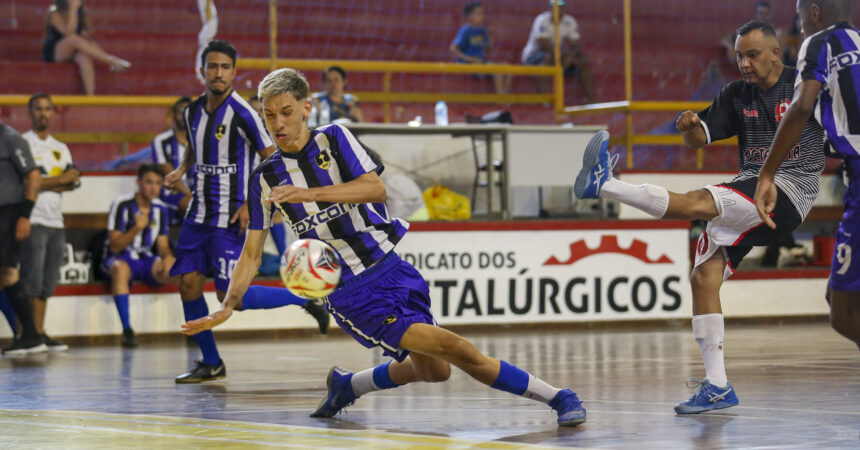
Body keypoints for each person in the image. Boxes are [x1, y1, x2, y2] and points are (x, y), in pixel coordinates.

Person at [181, 68, 587, 427]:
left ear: (307, 108)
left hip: (391, 266)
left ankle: (348, 385)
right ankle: (558, 397)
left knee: (436, 371)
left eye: (286, 112)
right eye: (269, 115)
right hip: (349, 290)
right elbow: (251, 253)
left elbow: (374, 188)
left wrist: (309, 192)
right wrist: (228, 307)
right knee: (455, 346)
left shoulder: (335, 138)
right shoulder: (265, 178)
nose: (277, 124)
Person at [574, 21, 826, 414]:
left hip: (788, 192)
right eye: (740, 55)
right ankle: (718, 386)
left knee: (694, 202)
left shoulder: (804, 86)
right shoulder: (735, 94)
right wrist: (689, 126)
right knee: (703, 276)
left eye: (753, 55)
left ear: (776, 53)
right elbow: (699, 138)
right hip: (750, 188)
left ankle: (605, 185)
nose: (744, 63)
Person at [164, 40, 327, 383]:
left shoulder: (243, 113)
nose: (218, 73)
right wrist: (181, 170)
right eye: (212, 66)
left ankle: (303, 299)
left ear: (234, 73)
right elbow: (194, 147)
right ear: (202, 71)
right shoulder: (192, 111)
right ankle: (211, 362)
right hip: (198, 215)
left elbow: (271, 155)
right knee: (188, 286)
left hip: (229, 219)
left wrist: (247, 203)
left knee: (229, 297)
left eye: (225, 67)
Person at [755, 0, 860, 351]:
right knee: (840, 297)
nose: (799, 26)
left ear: (814, 12)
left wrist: (767, 174)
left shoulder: (818, 43)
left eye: (799, 17)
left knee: (842, 311)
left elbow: (801, 106)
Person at [20, 93, 80, 352]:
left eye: (47, 109)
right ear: (30, 113)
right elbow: (25, 184)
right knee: (30, 281)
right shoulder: (22, 144)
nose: (43, 114)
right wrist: (60, 180)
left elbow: (74, 182)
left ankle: (40, 333)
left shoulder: (60, 146)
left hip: (56, 221)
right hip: (33, 219)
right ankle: (27, 334)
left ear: (53, 113)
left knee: (46, 283)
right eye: (38, 109)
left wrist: (45, 183)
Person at [103, 164, 176, 347]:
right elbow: (115, 245)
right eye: (149, 182)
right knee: (120, 270)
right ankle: (127, 330)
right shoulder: (121, 204)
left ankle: (192, 327)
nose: (153, 188)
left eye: (158, 183)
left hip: (146, 260)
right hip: (120, 258)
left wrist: (168, 257)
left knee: (175, 267)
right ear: (138, 183)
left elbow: (162, 245)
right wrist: (137, 228)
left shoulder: (161, 209)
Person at [0, 120, 47, 355]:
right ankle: (29, 334)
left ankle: (32, 335)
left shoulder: (11, 138)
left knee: (8, 273)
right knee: (4, 276)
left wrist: (24, 215)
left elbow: (34, 176)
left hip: (9, 213)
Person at [42, 0, 131, 96]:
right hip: (56, 52)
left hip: (76, 50)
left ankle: (90, 95)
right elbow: (70, 32)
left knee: (84, 57)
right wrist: (73, 8)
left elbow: (88, 37)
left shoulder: (82, 12)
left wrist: (86, 36)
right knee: (73, 39)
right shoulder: (55, 11)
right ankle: (111, 61)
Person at [521, 0, 594, 103]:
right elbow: (544, 46)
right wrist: (563, 55)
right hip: (534, 55)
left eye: (560, 7)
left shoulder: (570, 21)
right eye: (554, 7)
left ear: (564, 8)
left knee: (583, 61)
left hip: (558, 55)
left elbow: (576, 44)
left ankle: (591, 101)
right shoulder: (542, 20)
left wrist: (570, 56)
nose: (557, 10)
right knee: (546, 59)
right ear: (549, 8)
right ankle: (543, 100)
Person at [449, 2, 511, 94]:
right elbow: (453, 48)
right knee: (497, 70)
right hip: (469, 63)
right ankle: (501, 98)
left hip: (481, 61)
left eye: (482, 13)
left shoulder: (482, 31)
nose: (482, 16)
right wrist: (468, 58)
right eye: (478, 13)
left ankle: (505, 95)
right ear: (469, 16)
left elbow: (488, 49)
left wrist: (490, 36)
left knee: (507, 67)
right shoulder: (465, 30)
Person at [152, 96, 194, 224]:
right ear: (173, 115)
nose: (183, 115)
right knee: (193, 205)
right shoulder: (161, 141)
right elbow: (169, 175)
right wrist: (191, 196)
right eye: (180, 112)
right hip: (173, 193)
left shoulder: (202, 139)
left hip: (198, 192)